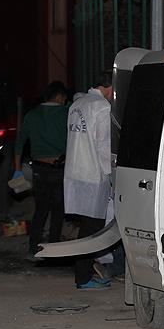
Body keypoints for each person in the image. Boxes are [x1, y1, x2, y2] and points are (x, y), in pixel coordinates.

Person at [64, 72, 114, 290]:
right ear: (109, 87)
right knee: (92, 229)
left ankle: (84, 273)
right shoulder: (102, 107)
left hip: (75, 171)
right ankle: (83, 278)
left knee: (86, 225)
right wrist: (110, 175)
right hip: (94, 174)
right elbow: (104, 145)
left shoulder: (77, 104)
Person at [13, 81, 70, 261]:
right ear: (59, 96)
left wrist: (17, 169)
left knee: (41, 210)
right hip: (60, 169)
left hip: (39, 169)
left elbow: (19, 143)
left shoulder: (32, 114)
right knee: (58, 212)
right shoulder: (66, 113)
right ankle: (53, 250)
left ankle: (33, 249)